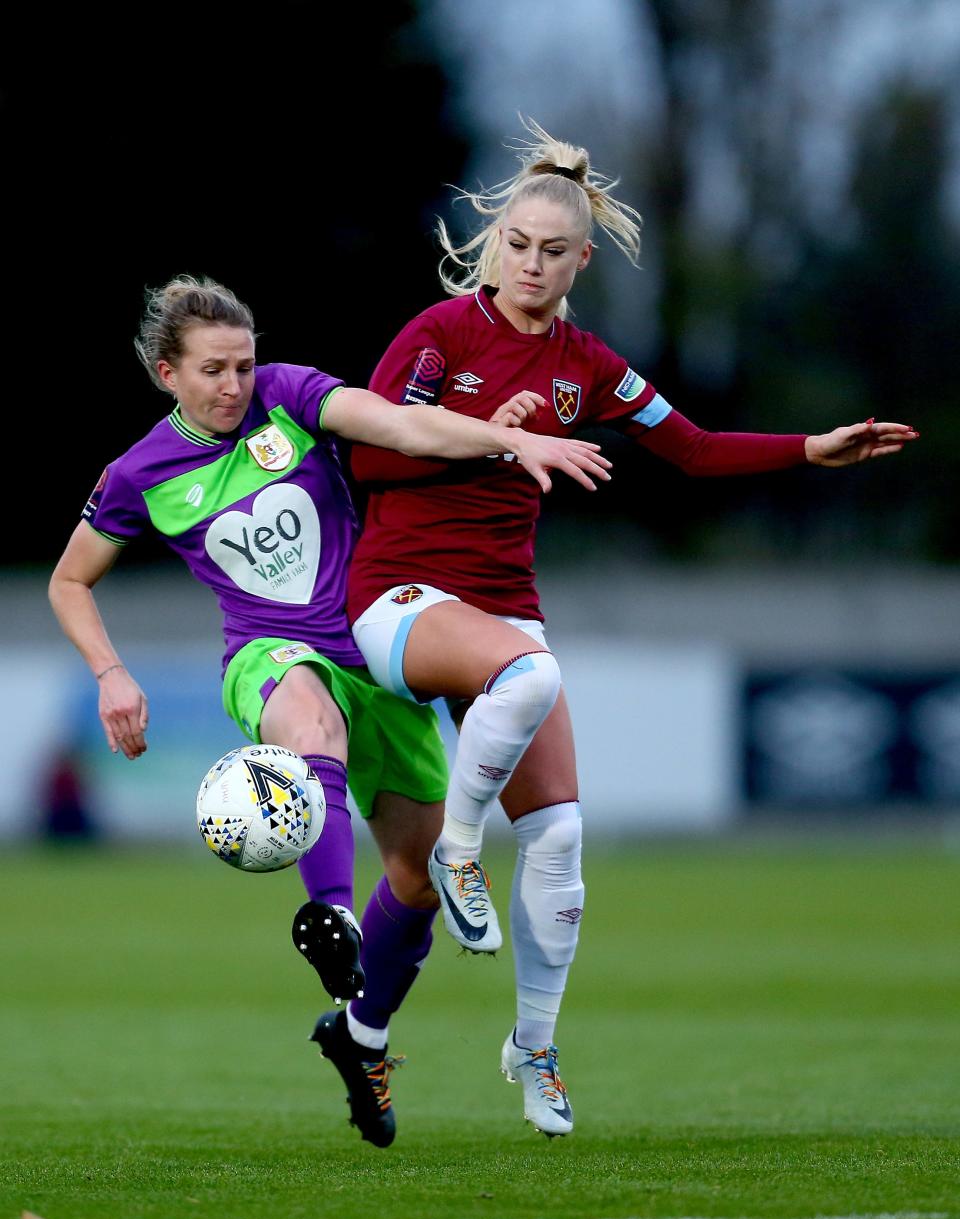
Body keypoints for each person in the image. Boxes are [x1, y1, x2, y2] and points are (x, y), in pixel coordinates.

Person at [343, 120, 919, 1138]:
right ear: (496, 243)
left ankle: (532, 1047)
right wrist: (493, 441)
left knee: (562, 836)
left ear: (580, 260)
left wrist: (810, 449)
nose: (529, 262)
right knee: (530, 680)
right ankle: (461, 850)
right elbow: (374, 461)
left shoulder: (586, 365)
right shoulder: (438, 335)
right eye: (516, 243)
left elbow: (692, 452)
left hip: (503, 608)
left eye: (550, 250)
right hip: (400, 595)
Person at [47, 275, 610, 1147]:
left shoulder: (292, 396)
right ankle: (329, 913)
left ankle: (359, 1034)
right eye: (211, 371)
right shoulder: (136, 475)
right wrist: (110, 673)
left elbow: (399, 423)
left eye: (243, 364)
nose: (234, 385)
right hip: (267, 658)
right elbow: (69, 580)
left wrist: (500, 439)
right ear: (167, 373)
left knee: (419, 882)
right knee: (312, 724)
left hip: (370, 651)